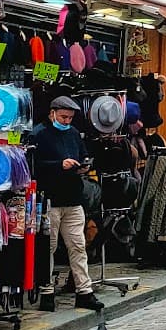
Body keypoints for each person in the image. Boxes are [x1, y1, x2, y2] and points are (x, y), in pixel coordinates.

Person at [33, 96, 103, 311]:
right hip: (50, 200)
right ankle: (46, 291)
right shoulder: (39, 134)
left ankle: (84, 291)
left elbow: (82, 154)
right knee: (49, 247)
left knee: (78, 245)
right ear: (52, 113)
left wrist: (82, 166)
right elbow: (33, 165)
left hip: (73, 198)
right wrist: (58, 165)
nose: (66, 121)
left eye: (70, 118)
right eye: (63, 117)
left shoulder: (72, 133)